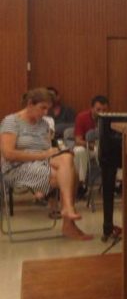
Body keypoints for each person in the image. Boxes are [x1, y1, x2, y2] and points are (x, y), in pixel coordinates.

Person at [1, 88, 92, 240]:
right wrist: (44, 154)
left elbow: (46, 150)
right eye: (42, 108)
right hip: (16, 168)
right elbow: (8, 155)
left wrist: (56, 152)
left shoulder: (43, 124)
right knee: (71, 175)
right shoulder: (11, 121)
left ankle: (67, 210)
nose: (45, 113)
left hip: (41, 164)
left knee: (67, 159)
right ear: (30, 104)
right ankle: (68, 222)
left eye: (47, 109)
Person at [72, 95, 109, 196]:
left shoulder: (109, 118)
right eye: (98, 109)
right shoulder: (82, 117)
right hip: (86, 147)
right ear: (92, 108)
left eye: (104, 110)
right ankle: (81, 184)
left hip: (103, 148)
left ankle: (118, 184)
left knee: (117, 151)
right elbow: (78, 140)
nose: (102, 112)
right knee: (78, 151)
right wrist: (91, 145)